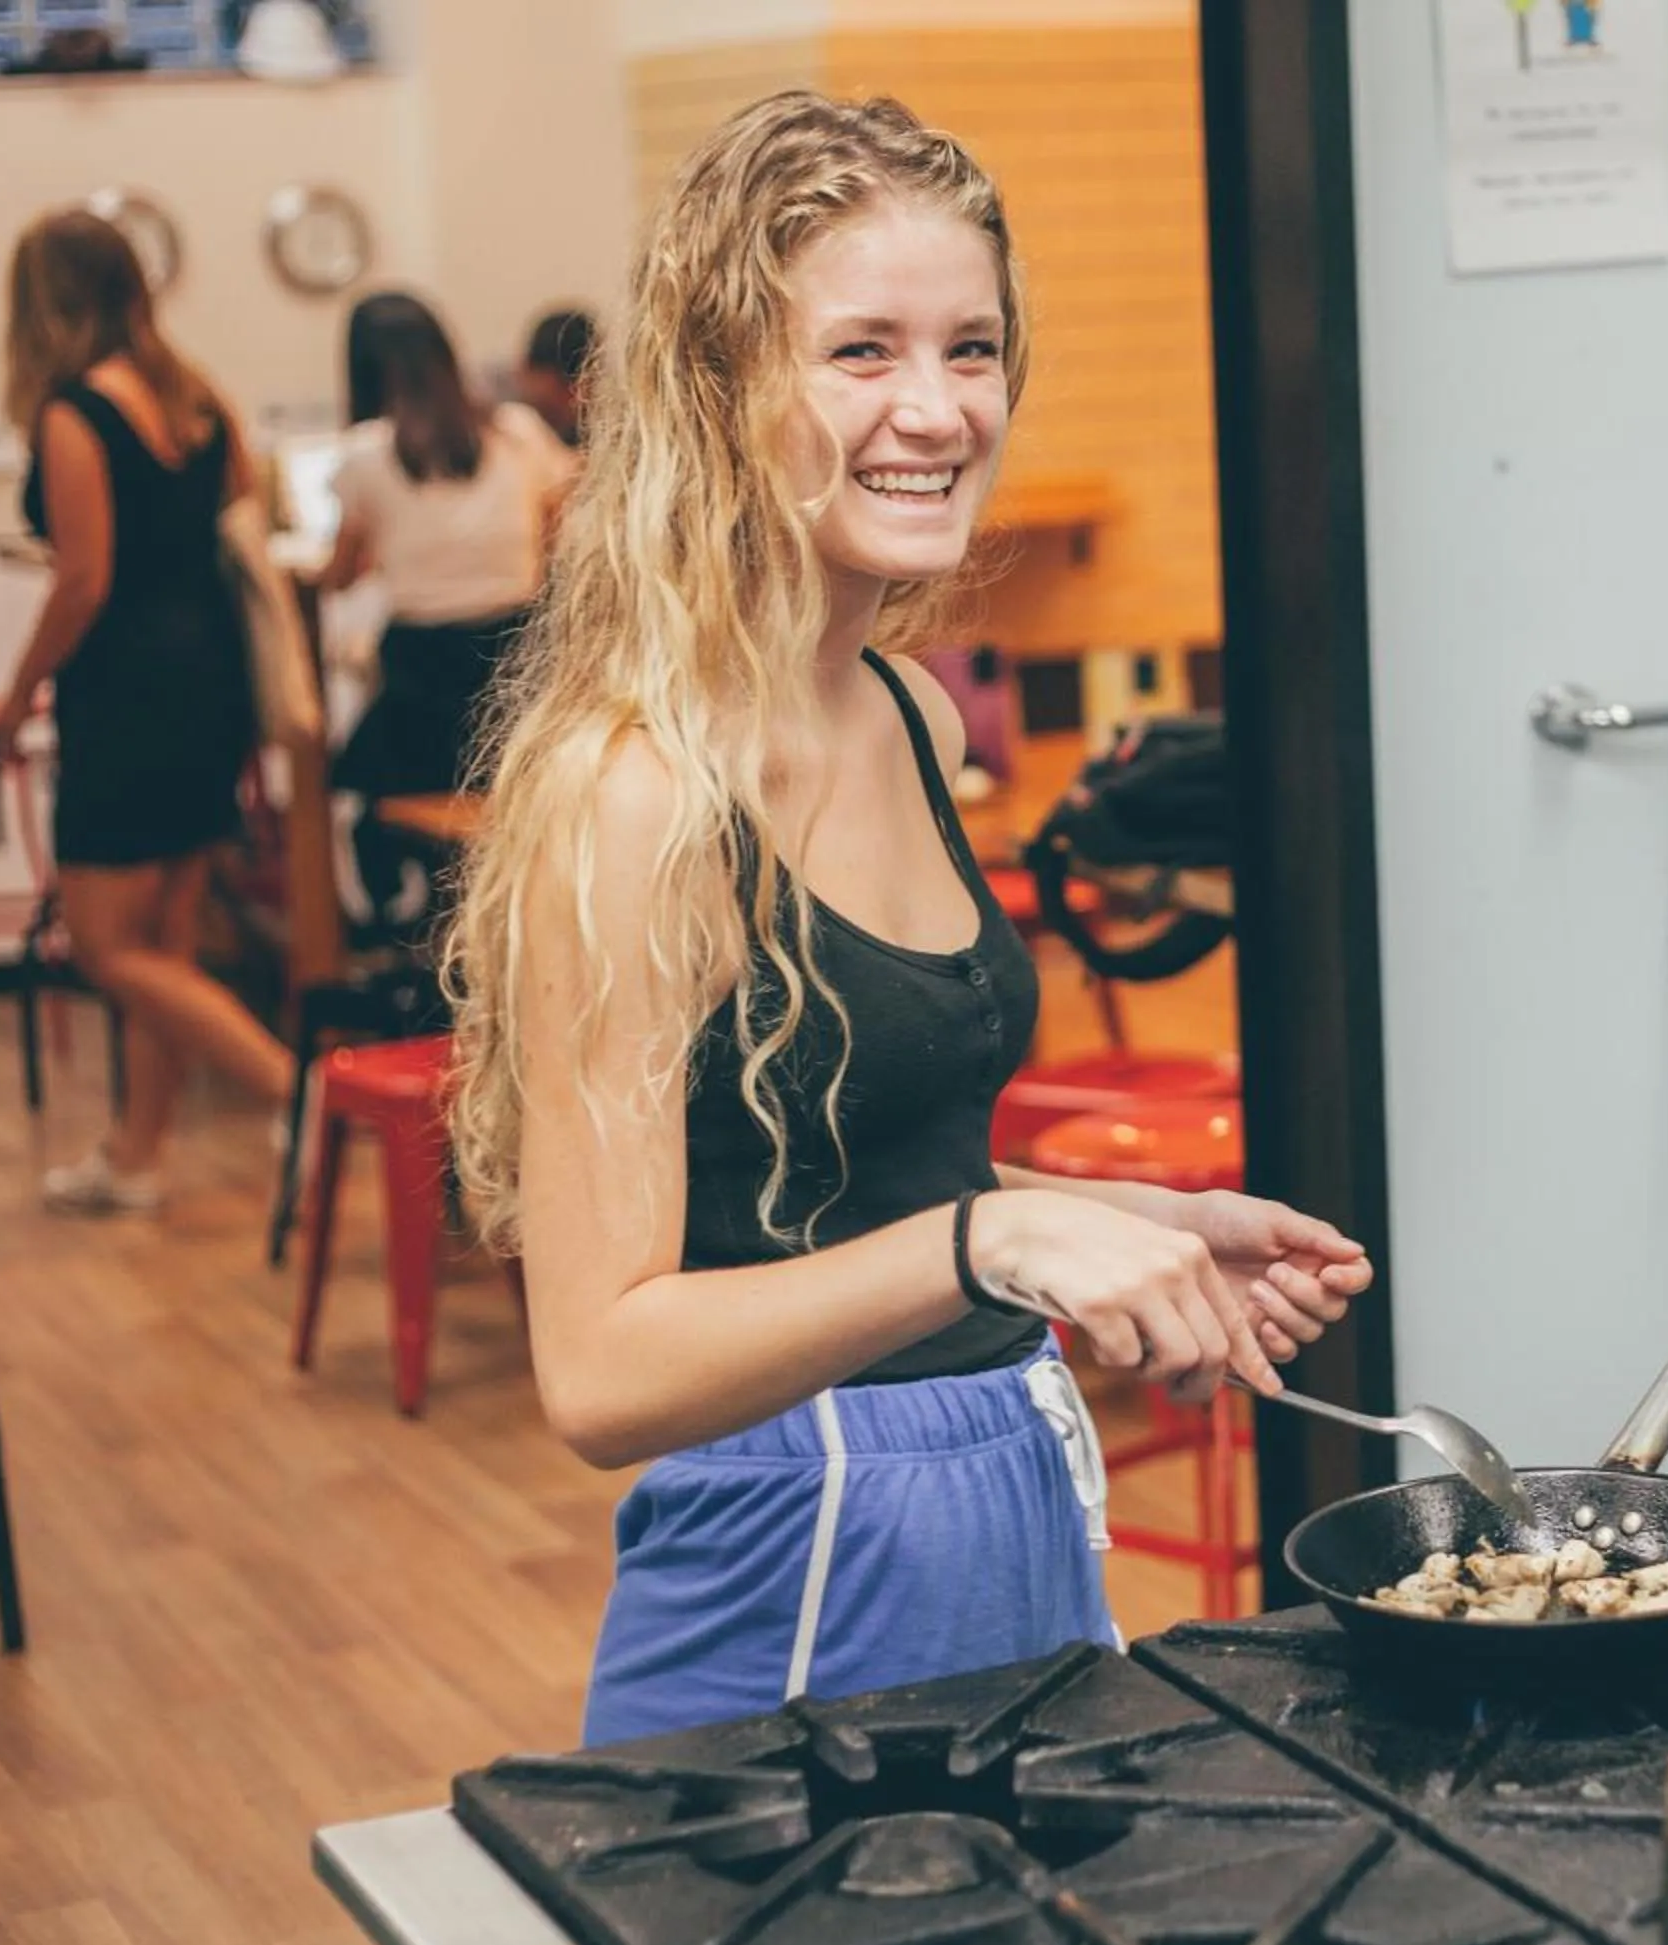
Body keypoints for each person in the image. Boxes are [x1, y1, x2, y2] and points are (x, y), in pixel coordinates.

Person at [441, 90, 1372, 1742]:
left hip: (1007, 1488)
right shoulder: (636, 795)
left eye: (973, 348)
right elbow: (598, 1370)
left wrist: (1129, 1230)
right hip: (792, 1561)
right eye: (861, 351)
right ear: (724, 388)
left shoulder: (909, 716)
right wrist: (989, 1240)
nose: (937, 410)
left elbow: (836, 1191)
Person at [0, 211, 296, 1213]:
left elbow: (84, 580)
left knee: (105, 947)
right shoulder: (196, 395)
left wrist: (15, 693)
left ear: (45, 303)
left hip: (128, 693)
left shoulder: (75, 412)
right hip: (208, 679)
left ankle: (306, 1093)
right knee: (162, 945)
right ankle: (135, 1155)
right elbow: (242, 507)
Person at [318, 291, 573, 931]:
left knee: (363, 798)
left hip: (421, 676)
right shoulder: (516, 432)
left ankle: (408, 931)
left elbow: (342, 573)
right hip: (514, 663)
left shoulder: (367, 456)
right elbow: (560, 533)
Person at [518, 306, 597, 451]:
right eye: (563, 387)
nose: (574, 401)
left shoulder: (599, 431)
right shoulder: (507, 431)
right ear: (525, 370)